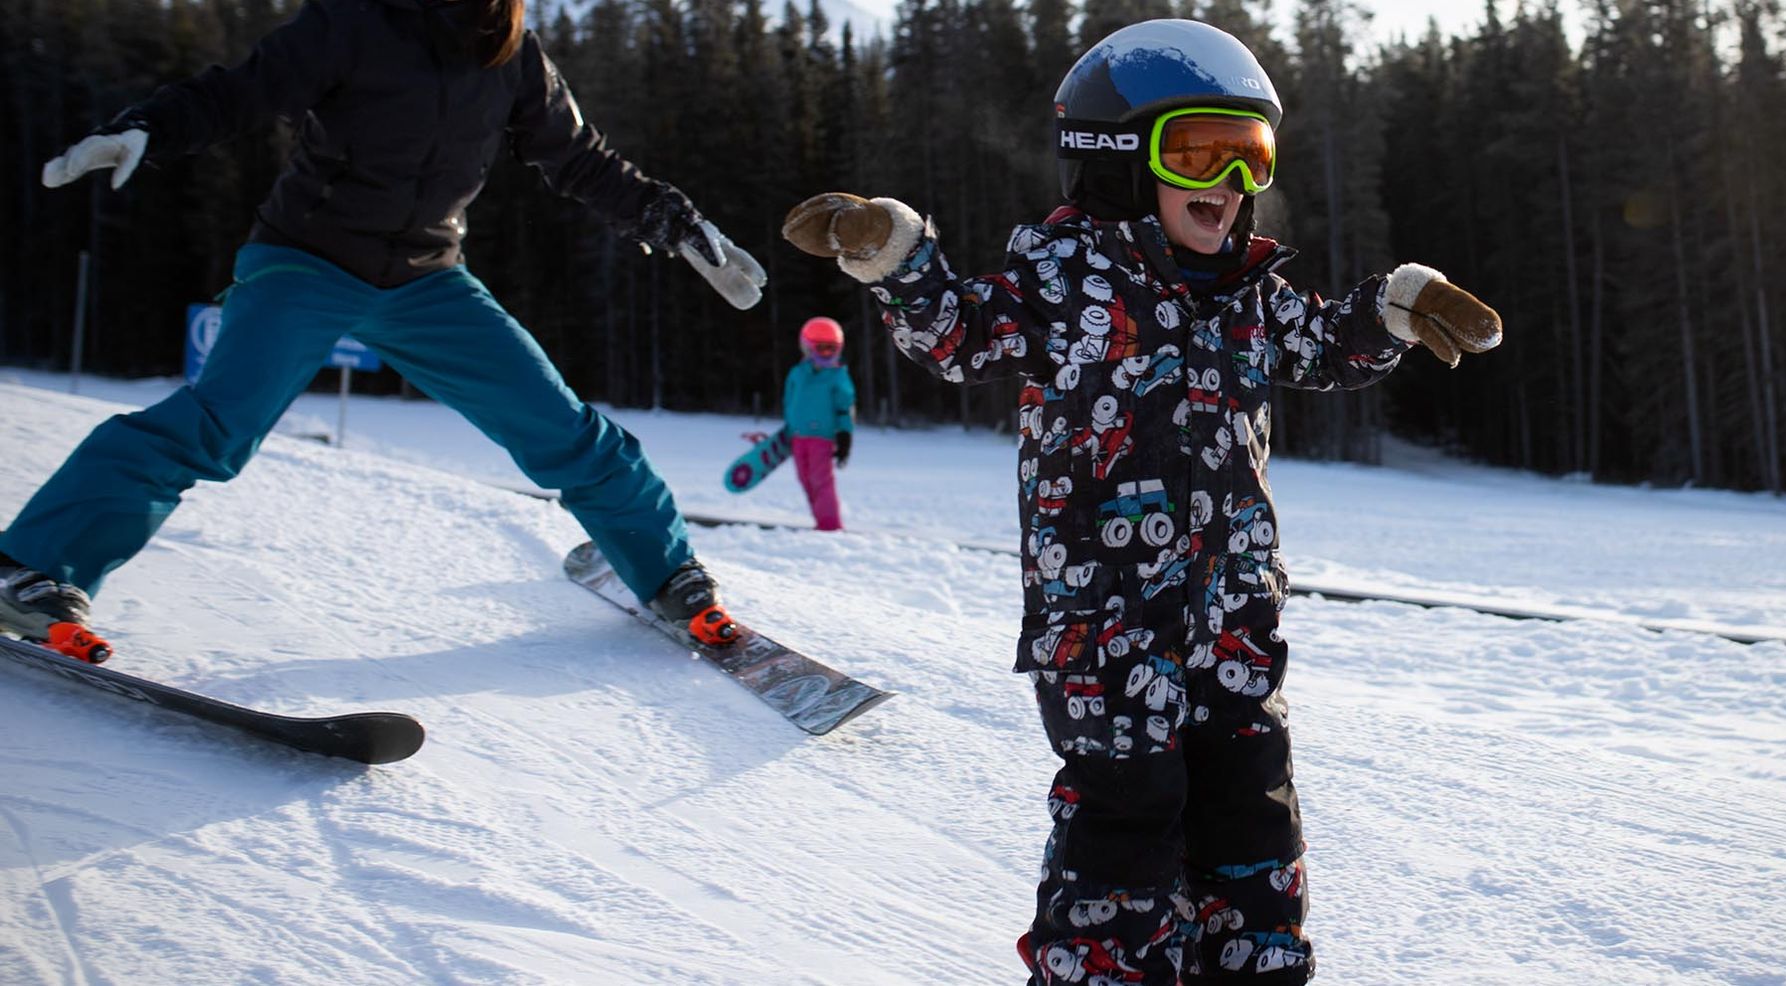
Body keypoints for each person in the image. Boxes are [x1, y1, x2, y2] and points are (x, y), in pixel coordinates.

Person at [782, 19, 1501, 986]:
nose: (1234, 183)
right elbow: (960, 334)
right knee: (1125, 837)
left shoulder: (1251, 290)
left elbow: (1320, 348)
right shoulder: (1063, 275)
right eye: (1202, 151)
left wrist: (1391, 310)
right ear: (1117, 160)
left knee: (1254, 820)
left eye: (1251, 155)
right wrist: (899, 256)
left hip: (1235, 623)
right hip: (1105, 632)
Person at [0, 0, 764, 658]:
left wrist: (671, 217)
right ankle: (31, 569)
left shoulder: (510, 53)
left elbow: (581, 160)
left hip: (425, 277)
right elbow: (241, 92)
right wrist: (148, 128)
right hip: (306, 259)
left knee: (561, 428)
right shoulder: (355, 20)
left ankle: (669, 576)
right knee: (212, 427)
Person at [782, 316, 856, 531]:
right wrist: (788, 429)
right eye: (820, 349)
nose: (826, 355)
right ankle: (820, 521)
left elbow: (845, 409)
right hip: (798, 436)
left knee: (820, 481)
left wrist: (845, 437)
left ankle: (830, 525)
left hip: (822, 438)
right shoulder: (798, 373)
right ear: (807, 348)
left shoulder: (838, 377)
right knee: (804, 479)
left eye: (831, 349)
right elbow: (789, 400)